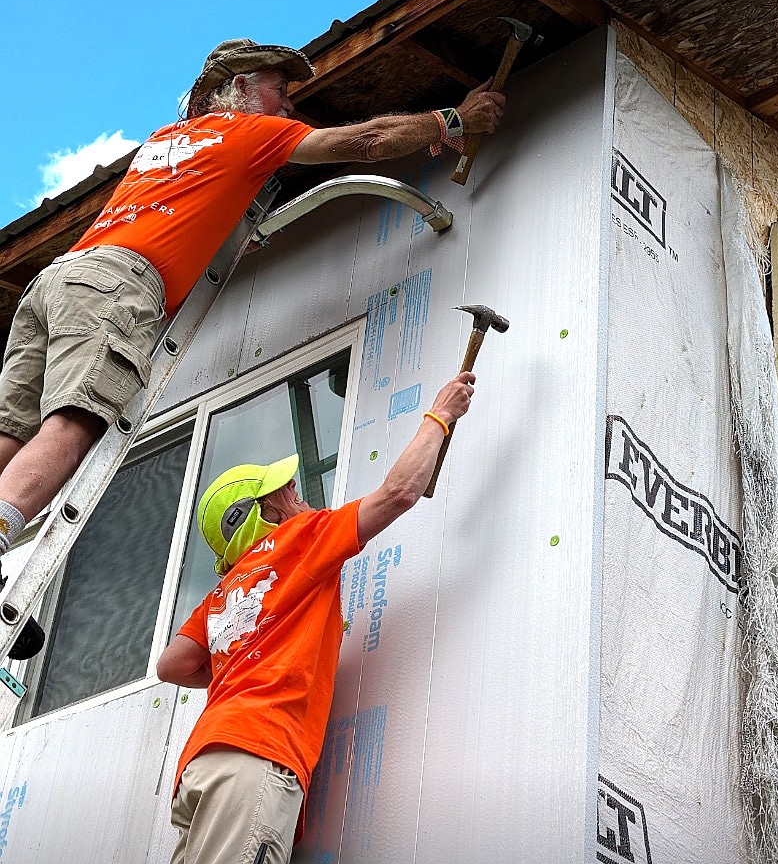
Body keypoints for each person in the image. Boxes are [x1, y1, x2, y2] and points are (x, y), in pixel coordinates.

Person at [0, 38, 505, 574]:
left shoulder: (167, 142)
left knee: (10, 434)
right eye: (279, 90)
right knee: (74, 425)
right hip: (116, 285)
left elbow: (206, 206)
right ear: (239, 87)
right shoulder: (245, 132)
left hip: (59, 279)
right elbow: (371, 138)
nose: (289, 105)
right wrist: (454, 119)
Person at [156, 370, 476, 864]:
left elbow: (171, 664)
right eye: (288, 491)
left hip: (204, 765)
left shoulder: (225, 591)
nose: (301, 497)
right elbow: (398, 493)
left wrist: (247, 650)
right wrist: (440, 415)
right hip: (256, 756)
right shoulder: (299, 540)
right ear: (265, 514)